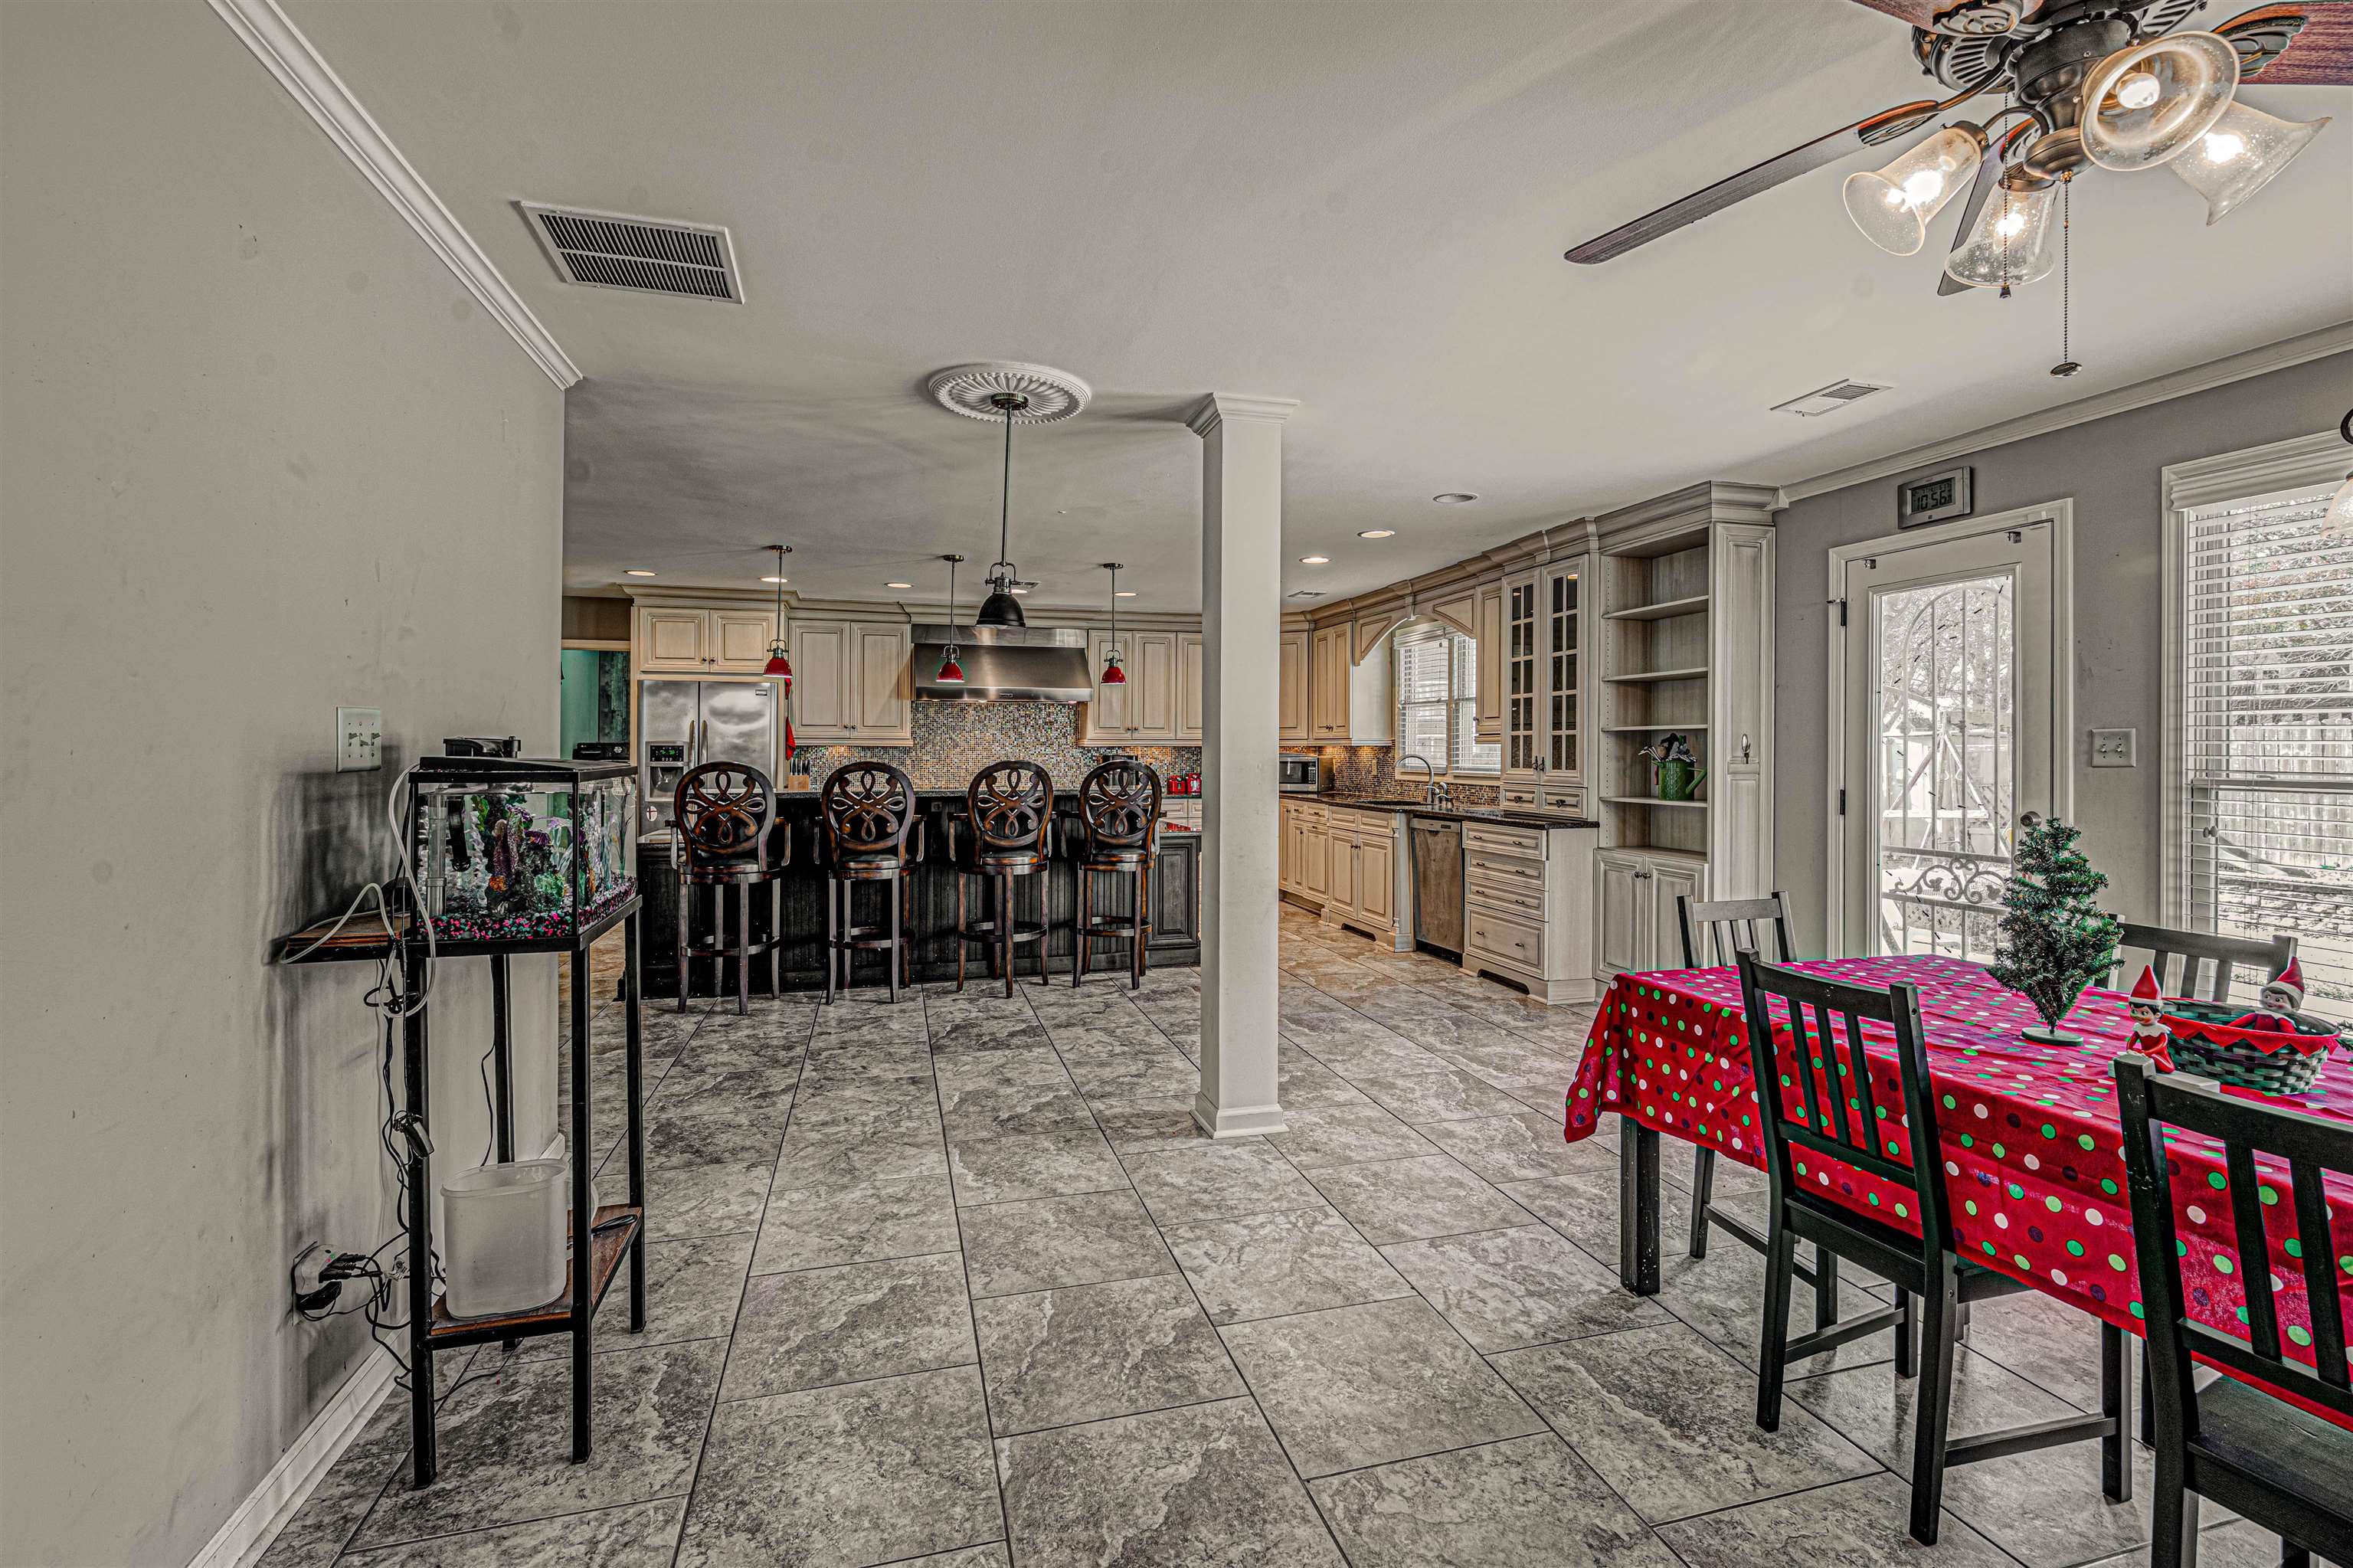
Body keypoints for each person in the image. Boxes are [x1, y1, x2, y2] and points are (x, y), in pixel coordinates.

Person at [2227, 957, 2307, 1034]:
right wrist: (2227, 1030)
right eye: (2267, 997)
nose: (2270, 1002)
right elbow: (2239, 1024)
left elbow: (2290, 1036)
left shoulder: (2282, 1020)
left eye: (2278, 1000)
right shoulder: (2258, 1013)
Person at [2125, 964, 2175, 1072]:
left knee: (2166, 1066)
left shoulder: (2160, 1030)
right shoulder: (2139, 1028)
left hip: (2159, 1058)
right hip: (2145, 1057)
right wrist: (2129, 1049)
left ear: (2157, 1015)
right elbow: (2132, 1040)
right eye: (2134, 1011)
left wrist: (2148, 1053)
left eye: (2143, 1013)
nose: (2137, 1016)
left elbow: (2162, 1045)